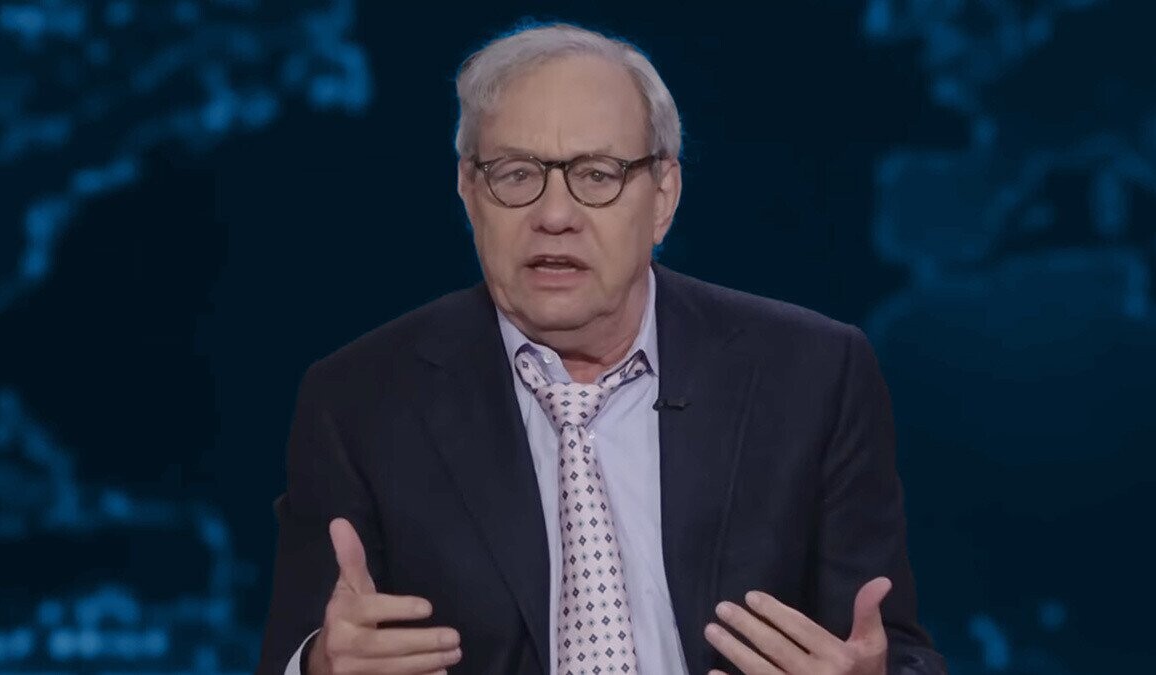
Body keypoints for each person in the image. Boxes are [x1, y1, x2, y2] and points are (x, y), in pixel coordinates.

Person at [257, 22, 947, 675]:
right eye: (516, 173)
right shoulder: (359, 401)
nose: (554, 216)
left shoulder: (814, 375)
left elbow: (894, 651)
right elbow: (300, 650)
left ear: (663, 196)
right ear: (469, 191)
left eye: (596, 174)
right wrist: (321, 664)